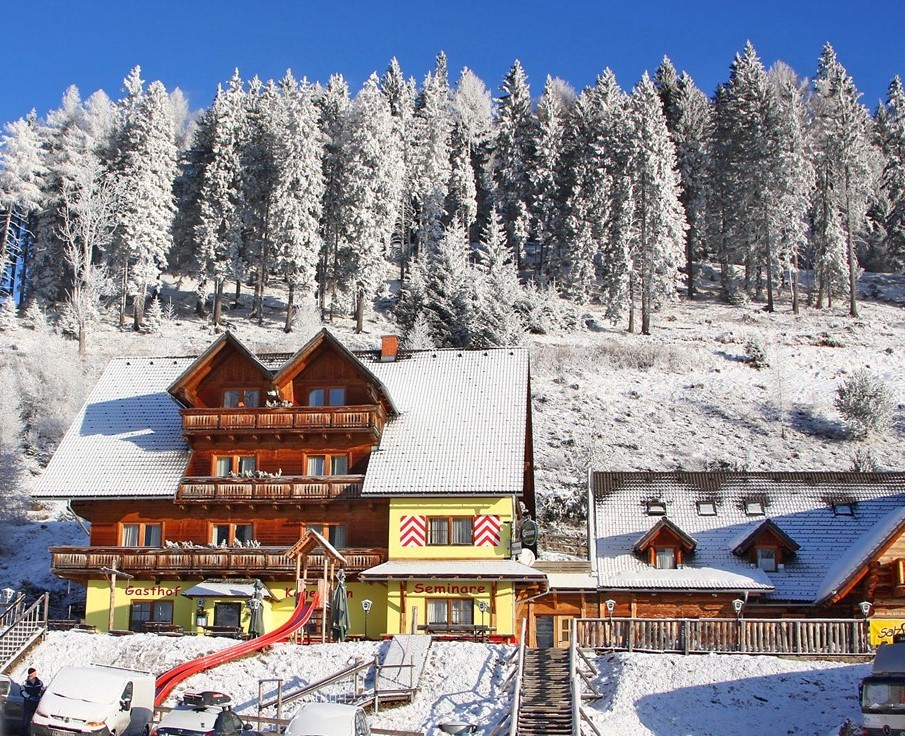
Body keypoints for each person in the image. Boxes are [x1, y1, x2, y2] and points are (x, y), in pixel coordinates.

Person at [21, 667, 43, 733]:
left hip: (36, 704)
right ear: (30, 674)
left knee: (35, 721)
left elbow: (41, 690)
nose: (35, 674)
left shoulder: (39, 682)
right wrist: (29, 697)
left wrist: (38, 697)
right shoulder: (25, 682)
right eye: (34, 673)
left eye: (35, 672)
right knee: (26, 721)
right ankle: (24, 733)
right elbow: (22, 692)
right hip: (28, 704)